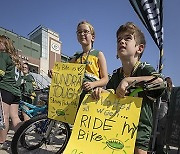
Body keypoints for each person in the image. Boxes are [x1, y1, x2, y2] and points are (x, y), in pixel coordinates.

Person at [92, 22, 164, 154]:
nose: (122, 41)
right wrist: (100, 92)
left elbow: (159, 82)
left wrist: (128, 80)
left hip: (140, 129)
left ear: (139, 48)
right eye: (119, 39)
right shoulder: (116, 74)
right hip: (118, 127)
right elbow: (110, 92)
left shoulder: (144, 68)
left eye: (127, 38)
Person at [49, 20, 109, 105]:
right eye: (79, 32)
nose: (82, 34)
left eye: (86, 31)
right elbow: (64, 73)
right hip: (76, 97)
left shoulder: (98, 54)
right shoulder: (75, 58)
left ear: (93, 37)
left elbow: (105, 79)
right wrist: (54, 73)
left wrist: (93, 84)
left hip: (93, 96)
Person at [0, 35, 22, 150]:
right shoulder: (16, 59)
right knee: (15, 117)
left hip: (5, 89)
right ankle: (22, 138)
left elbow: (0, 73)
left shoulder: (3, 55)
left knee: (4, 116)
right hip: (16, 92)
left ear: (4, 44)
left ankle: (2, 142)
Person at [155, 77, 173, 154]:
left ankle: (157, 145)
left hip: (161, 106)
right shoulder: (170, 90)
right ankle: (160, 146)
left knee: (158, 127)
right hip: (164, 107)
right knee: (161, 128)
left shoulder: (165, 89)